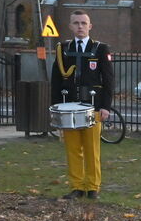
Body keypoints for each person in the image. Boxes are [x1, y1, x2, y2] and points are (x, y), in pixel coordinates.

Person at [49, 11, 114, 199]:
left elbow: (108, 79)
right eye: (76, 23)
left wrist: (105, 107)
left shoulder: (100, 49)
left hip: (93, 107)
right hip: (68, 108)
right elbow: (56, 80)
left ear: (90, 26)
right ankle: (77, 187)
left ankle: (92, 187)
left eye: (83, 23)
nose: (80, 26)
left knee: (92, 149)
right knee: (73, 149)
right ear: (70, 26)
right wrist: (55, 108)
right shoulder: (63, 49)